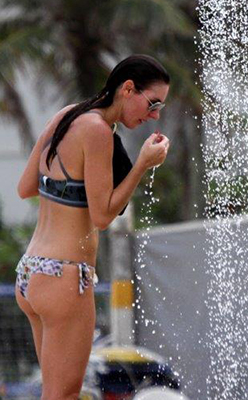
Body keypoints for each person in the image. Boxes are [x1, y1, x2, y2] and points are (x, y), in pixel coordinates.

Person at [14, 54, 171, 399]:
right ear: (128, 89)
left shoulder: (66, 116)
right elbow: (102, 217)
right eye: (153, 103)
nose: (155, 115)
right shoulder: (98, 131)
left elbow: (25, 188)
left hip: (31, 274)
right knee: (63, 395)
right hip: (65, 278)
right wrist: (142, 163)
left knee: (55, 394)